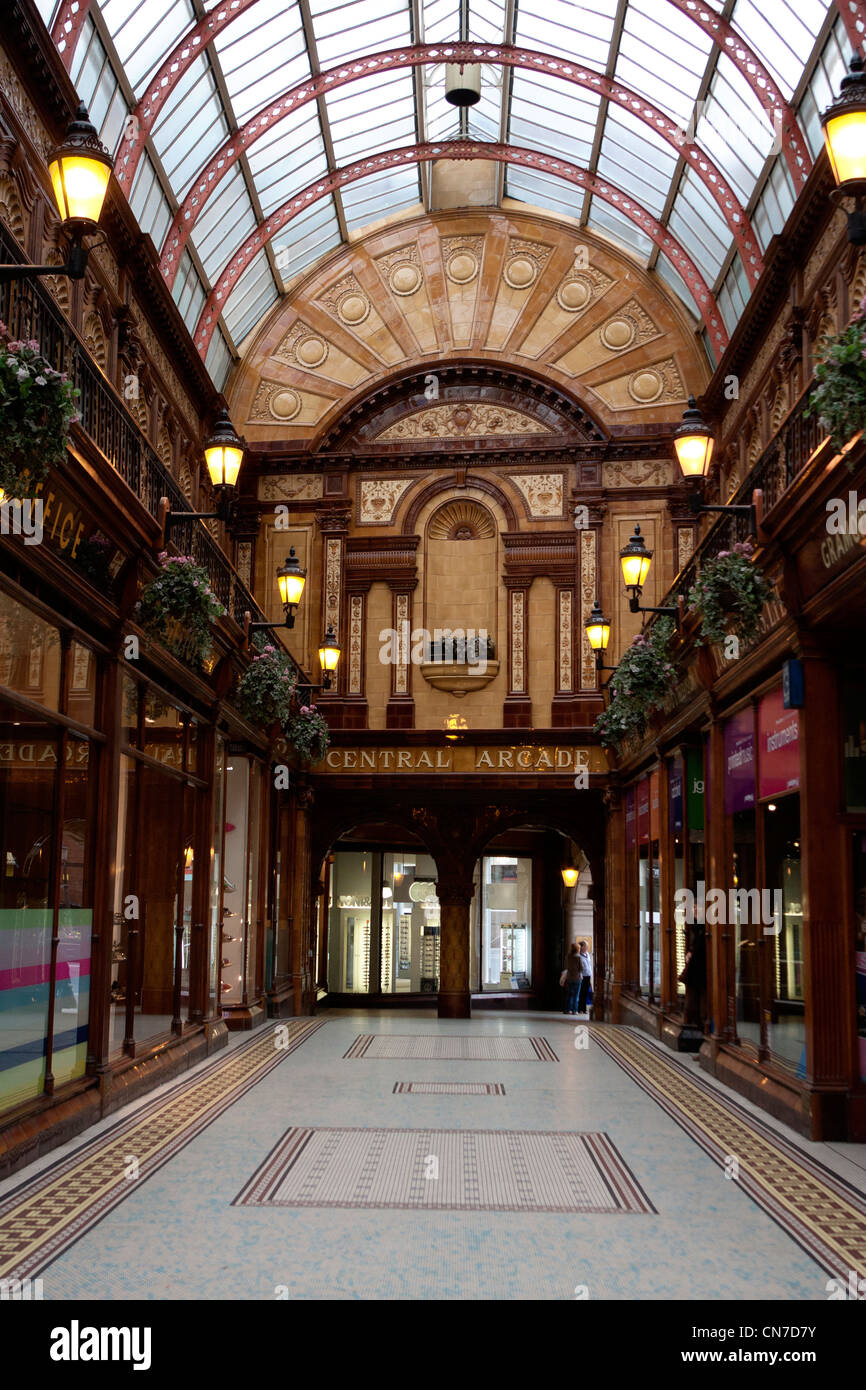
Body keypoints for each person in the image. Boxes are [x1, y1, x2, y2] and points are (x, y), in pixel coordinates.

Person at [563, 941, 582, 1014]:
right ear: (578, 949)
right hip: (577, 977)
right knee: (576, 995)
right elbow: (581, 968)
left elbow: (566, 966)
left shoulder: (568, 956)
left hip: (569, 977)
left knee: (569, 994)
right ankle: (574, 1010)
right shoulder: (578, 957)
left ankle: (567, 1009)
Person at [576, 940, 592, 1016]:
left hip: (588, 975)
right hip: (582, 976)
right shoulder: (579, 955)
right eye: (585, 946)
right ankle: (579, 1008)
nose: (587, 947)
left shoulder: (588, 954)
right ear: (581, 947)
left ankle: (584, 1008)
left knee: (586, 993)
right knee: (581, 992)